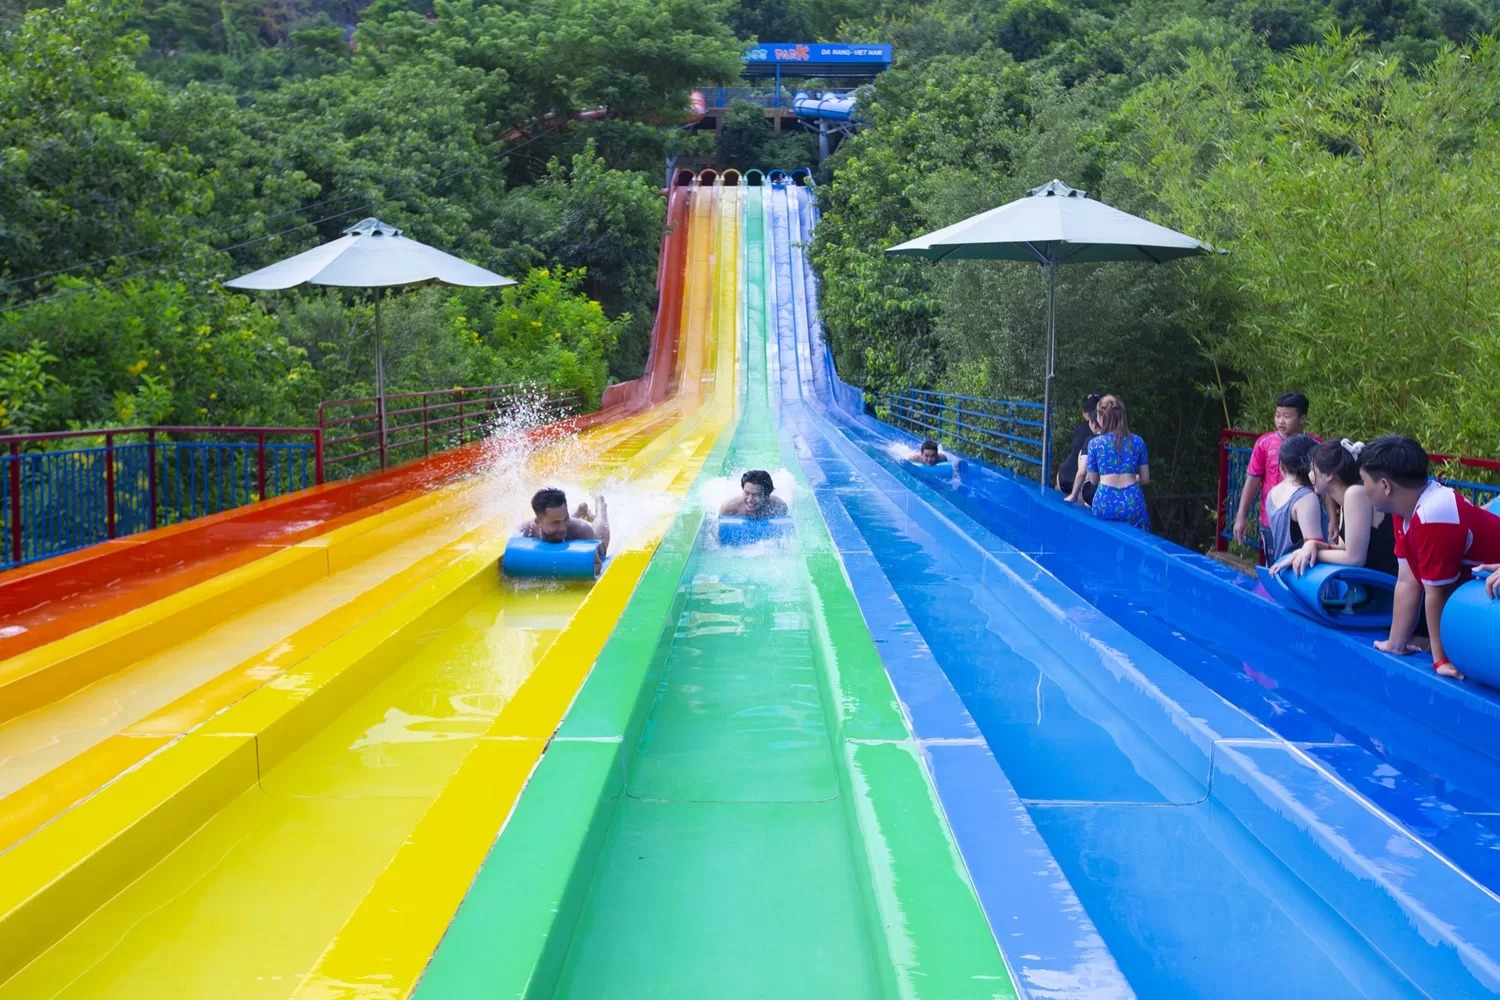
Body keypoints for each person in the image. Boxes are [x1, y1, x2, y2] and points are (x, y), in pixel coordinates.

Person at [1359, 435, 1500, 678]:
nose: (1363, 490)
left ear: (1385, 486)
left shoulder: (1434, 514)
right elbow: (1407, 579)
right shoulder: (1403, 509)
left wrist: (1440, 659)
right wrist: (1396, 643)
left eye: (1364, 482)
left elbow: (1438, 593)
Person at [1277, 439, 1398, 577]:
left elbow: (1355, 558)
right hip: (1371, 580)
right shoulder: (1347, 497)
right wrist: (1313, 545)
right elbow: (1343, 549)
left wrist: (1310, 553)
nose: (1310, 474)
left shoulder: (1355, 493)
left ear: (1329, 475)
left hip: (1386, 583)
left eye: (1312, 469)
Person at [1234, 391, 1317, 558]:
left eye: (1287, 416)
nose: (1280, 421)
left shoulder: (1314, 445)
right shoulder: (1264, 444)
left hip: (1307, 517)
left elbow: (1325, 482)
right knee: (1274, 565)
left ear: (1302, 418)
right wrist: (1241, 515)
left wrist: (1332, 518)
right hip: (1271, 520)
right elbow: (1252, 481)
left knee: (1306, 562)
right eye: (1278, 415)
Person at [1085, 395, 1151, 531]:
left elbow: (1093, 480)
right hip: (1131, 503)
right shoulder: (1138, 441)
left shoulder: (1094, 444)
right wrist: (1130, 477)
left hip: (1104, 502)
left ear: (1101, 417)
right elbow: (1145, 479)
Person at [1262, 434, 1326, 566]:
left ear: (1281, 465)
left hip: (1283, 567)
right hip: (1303, 571)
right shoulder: (1306, 498)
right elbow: (1314, 549)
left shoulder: (1273, 493)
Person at [519, 486, 609, 554]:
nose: (563, 528)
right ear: (538, 522)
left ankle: (600, 504)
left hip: (589, 536)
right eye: (555, 523)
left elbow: (599, 561)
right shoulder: (526, 530)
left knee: (602, 543)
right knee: (561, 520)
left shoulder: (582, 531)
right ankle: (580, 512)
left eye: (566, 518)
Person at [1060, 392, 1103, 505]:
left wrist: (1073, 496)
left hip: (1069, 479)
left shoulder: (1089, 439)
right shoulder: (1121, 440)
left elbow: (1082, 472)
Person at [720, 470, 789, 520]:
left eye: (756, 495)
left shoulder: (778, 507)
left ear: (766, 496)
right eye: (747, 493)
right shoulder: (729, 507)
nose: (750, 500)